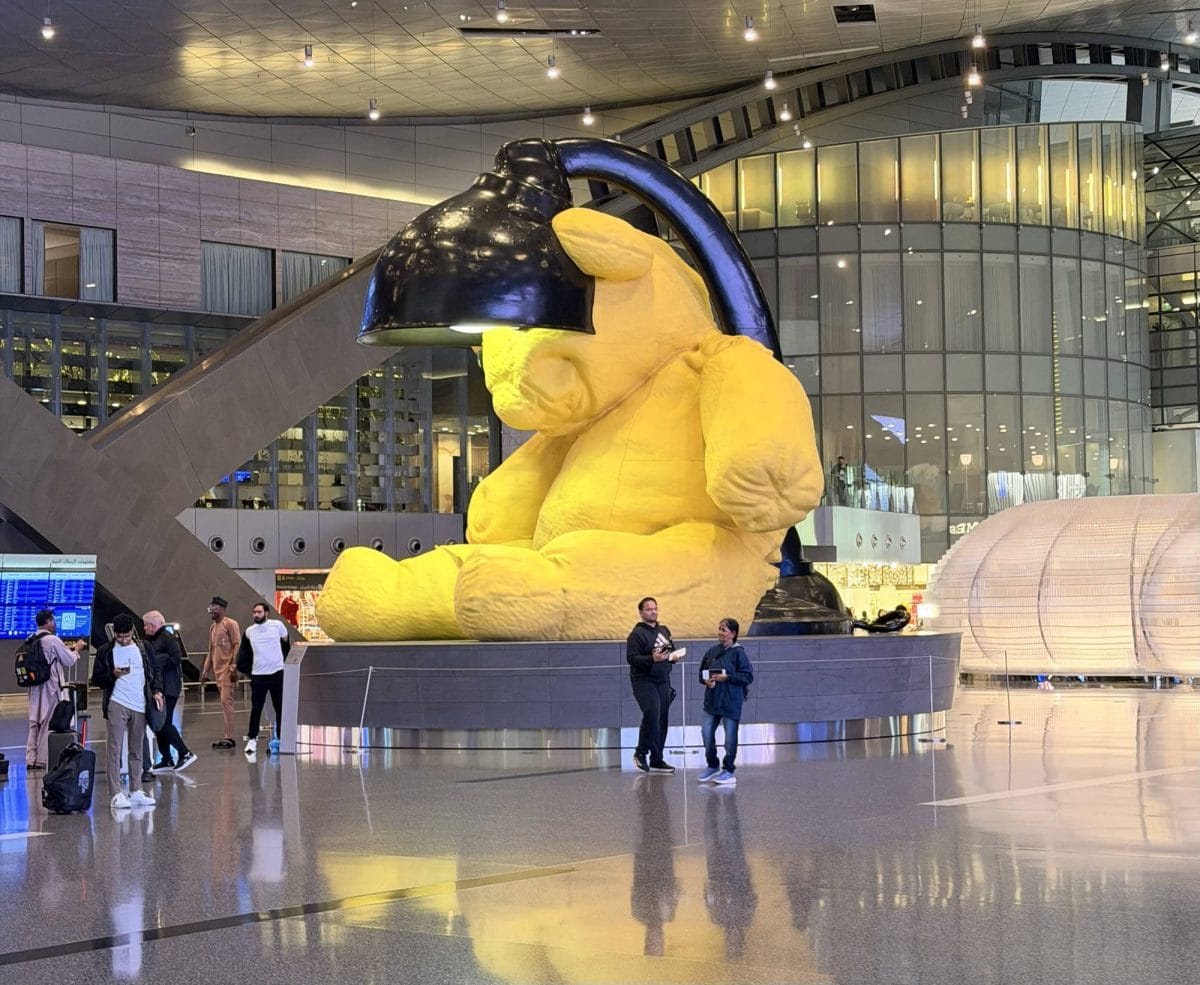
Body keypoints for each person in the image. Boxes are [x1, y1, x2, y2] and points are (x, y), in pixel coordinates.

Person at [91, 613, 164, 810]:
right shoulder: (106, 651)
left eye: (127, 636)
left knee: (137, 748)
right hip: (117, 702)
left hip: (139, 704)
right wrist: (112, 675)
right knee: (114, 749)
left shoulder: (143, 648)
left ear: (133, 631)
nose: (123, 640)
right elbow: (96, 679)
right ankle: (115, 793)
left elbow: (154, 670)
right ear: (114, 633)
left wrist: (156, 691)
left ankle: (136, 789)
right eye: (119, 636)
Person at [24, 608, 85, 770]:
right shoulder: (52, 639)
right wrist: (77, 649)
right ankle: (42, 760)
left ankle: (31, 759)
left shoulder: (31, 638)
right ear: (49, 622)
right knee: (47, 723)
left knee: (34, 723)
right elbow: (69, 660)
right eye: (53, 621)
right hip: (50, 687)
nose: (55, 624)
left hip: (34, 687)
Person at [697, 617, 754, 785]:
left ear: (733, 634)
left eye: (724, 630)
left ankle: (728, 770)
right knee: (706, 733)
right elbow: (702, 673)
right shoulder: (712, 651)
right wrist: (705, 680)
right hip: (712, 701)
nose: (720, 632)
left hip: (730, 701)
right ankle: (712, 765)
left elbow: (748, 676)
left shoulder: (739, 653)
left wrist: (727, 677)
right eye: (719, 629)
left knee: (730, 737)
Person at [626, 597, 679, 775]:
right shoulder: (637, 634)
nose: (653, 612)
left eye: (655, 608)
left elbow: (671, 650)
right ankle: (641, 752)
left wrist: (674, 657)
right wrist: (652, 659)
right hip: (644, 681)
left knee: (662, 719)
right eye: (649, 609)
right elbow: (631, 659)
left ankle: (657, 759)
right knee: (652, 714)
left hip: (663, 680)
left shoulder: (664, 630)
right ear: (641, 612)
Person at [142, 610, 197, 773]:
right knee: (158, 723)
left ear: (152, 625)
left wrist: (157, 660)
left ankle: (184, 752)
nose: (144, 628)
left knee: (164, 723)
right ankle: (166, 758)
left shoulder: (167, 638)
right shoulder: (153, 640)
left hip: (169, 687)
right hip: (159, 687)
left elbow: (176, 658)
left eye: (146, 625)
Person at [237, 601, 290, 759]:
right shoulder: (249, 631)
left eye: (259, 612)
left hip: (277, 672)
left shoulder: (277, 625)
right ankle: (252, 739)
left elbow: (286, 642)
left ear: (266, 613)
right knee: (256, 708)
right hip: (258, 674)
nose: (256, 615)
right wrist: (245, 669)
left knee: (279, 707)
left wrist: (284, 662)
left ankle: (281, 737)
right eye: (254, 612)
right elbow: (244, 652)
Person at [202, 596, 240, 749]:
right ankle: (227, 735)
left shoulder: (230, 624)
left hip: (227, 670)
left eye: (215, 608)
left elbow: (237, 645)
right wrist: (205, 671)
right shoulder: (212, 627)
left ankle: (229, 737)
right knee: (224, 703)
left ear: (223, 609)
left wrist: (233, 665)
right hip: (217, 671)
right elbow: (211, 651)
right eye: (211, 608)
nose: (212, 611)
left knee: (226, 701)